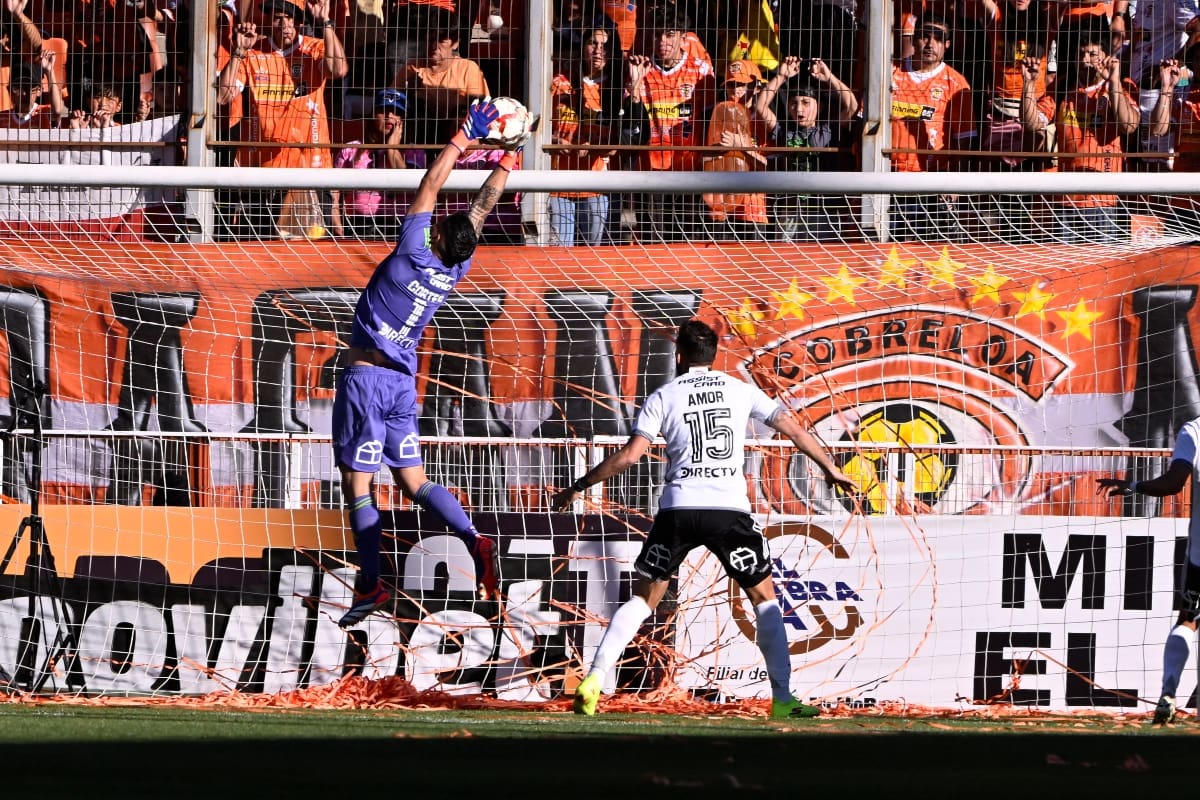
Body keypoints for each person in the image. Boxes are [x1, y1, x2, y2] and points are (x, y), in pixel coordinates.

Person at [551, 319, 856, 718]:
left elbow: (629, 456)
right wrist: (830, 469)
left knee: (644, 598)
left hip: (678, 509)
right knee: (764, 599)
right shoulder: (740, 389)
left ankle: (594, 677)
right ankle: (782, 698)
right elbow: (795, 430)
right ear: (715, 355)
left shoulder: (663, 395)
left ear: (678, 356)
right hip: (728, 511)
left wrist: (578, 486)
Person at [332, 98, 523, 628]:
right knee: (414, 482)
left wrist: (463, 137)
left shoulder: (411, 254)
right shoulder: (454, 270)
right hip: (402, 386)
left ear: (435, 235)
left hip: (367, 382)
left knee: (358, 485)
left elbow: (431, 185)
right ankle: (473, 537)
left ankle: (371, 583)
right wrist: (508, 161)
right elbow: (480, 211)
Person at [1097, 419, 1200, 724]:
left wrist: (1131, 486)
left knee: (1189, 619)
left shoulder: (1194, 430)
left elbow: (1172, 484)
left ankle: (1169, 690)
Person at [216, 0, 347, 237]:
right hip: (261, 170)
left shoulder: (315, 47)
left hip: (310, 168)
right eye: (278, 17)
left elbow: (337, 70)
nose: (284, 24)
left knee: (311, 248)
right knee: (257, 246)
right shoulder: (253, 52)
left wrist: (326, 23)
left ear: (299, 22)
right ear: (269, 20)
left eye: (290, 17)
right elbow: (223, 96)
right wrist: (237, 52)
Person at [889, 12, 979, 241]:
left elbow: (964, 141)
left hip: (933, 183)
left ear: (947, 45)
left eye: (938, 39)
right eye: (925, 36)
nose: (930, 44)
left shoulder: (956, 83)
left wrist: (955, 184)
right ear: (914, 38)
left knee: (928, 254)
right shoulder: (890, 73)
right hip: (889, 178)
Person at [753, 55, 858, 240]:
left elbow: (852, 107)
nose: (799, 109)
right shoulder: (784, 130)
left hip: (824, 210)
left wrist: (829, 78)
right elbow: (760, 107)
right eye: (794, 103)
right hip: (791, 210)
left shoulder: (828, 130)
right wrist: (781, 76)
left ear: (820, 106)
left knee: (824, 256)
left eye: (806, 103)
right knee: (787, 257)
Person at [330, 87, 425, 239]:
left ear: (403, 119)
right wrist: (337, 224)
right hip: (358, 226)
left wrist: (392, 148)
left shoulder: (414, 152)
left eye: (396, 112)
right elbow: (334, 192)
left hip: (398, 226)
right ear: (373, 115)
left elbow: (408, 184)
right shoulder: (350, 149)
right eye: (383, 111)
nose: (389, 116)